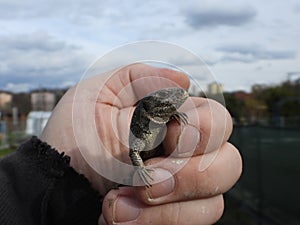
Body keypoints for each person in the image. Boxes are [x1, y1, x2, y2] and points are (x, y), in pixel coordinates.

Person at [0, 64, 242, 225]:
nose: (177, 99)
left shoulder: (159, 108)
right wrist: (140, 171)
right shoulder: (147, 114)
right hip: (130, 165)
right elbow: (135, 151)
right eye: (170, 105)